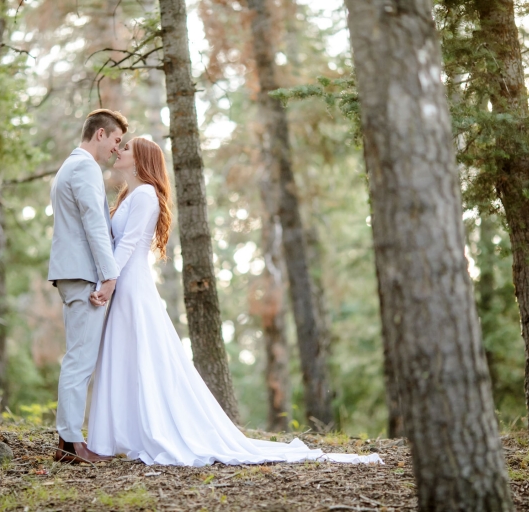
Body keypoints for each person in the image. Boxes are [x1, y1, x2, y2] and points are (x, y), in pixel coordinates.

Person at [85, 136, 383, 466]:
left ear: (141, 159)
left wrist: (108, 283)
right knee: (124, 354)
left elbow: (127, 245)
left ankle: (148, 430)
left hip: (131, 286)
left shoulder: (145, 195)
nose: (119, 150)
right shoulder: (129, 195)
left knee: (139, 354)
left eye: (126, 148)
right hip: (123, 282)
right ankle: (122, 433)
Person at [47, 109, 128, 464]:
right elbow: (95, 224)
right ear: (100, 134)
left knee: (78, 357)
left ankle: (67, 441)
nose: (117, 148)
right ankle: (70, 442)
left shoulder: (71, 166)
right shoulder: (84, 168)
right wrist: (110, 275)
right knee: (80, 360)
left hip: (73, 272)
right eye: (116, 140)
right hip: (83, 274)